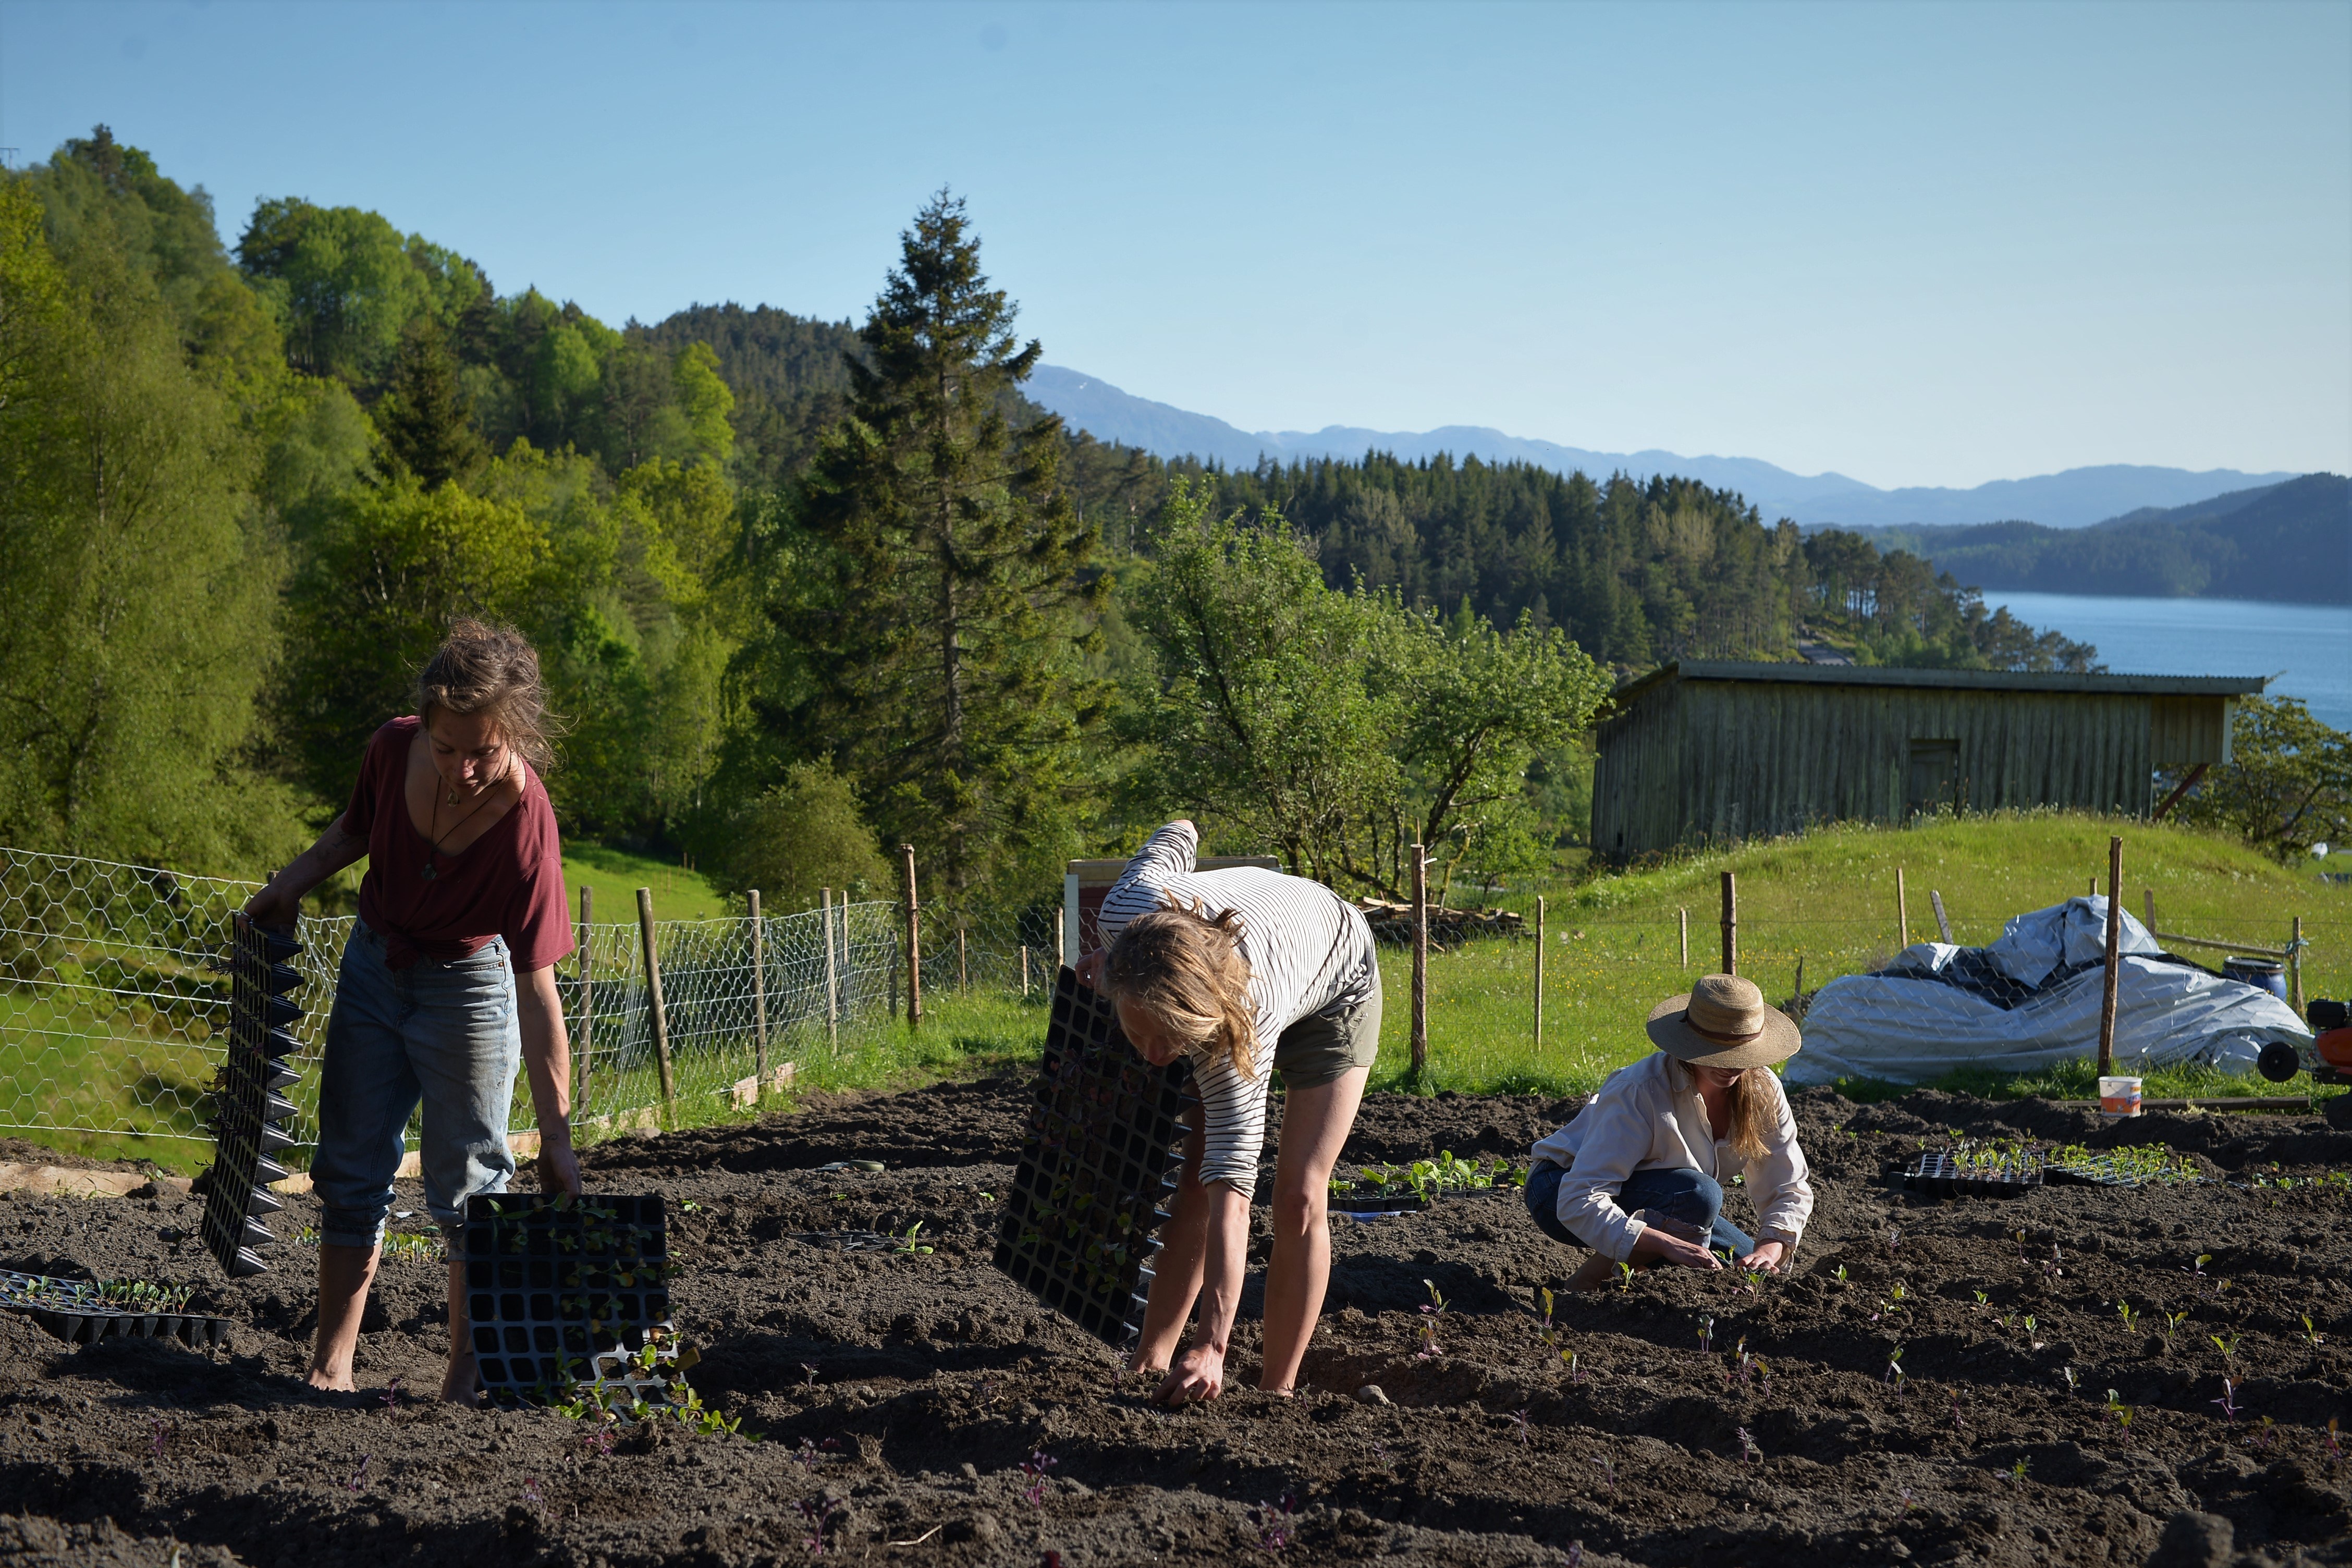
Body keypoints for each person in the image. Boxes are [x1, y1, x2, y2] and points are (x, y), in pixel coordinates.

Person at [243, 620, 581, 1401]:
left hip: (468, 989)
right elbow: (354, 831)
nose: (462, 769)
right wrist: (289, 883)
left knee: (468, 1187)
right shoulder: (392, 748)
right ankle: (330, 1365)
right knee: (351, 1169)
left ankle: (463, 1378)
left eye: (483, 753)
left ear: (515, 735)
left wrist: (557, 1138)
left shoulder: (528, 828)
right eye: (447, 747)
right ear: (424, 725)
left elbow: (537, 988)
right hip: (372, 968)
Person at [1077, 819, 1380, 1405]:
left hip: (1336, 974)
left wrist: (1215, 1342)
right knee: (1193, 1175)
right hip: (1244, 949)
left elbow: (1235, 1199)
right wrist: (1108, 957)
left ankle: (1275, 1392)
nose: (1160, 1056)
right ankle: (1150, 1360)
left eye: (1173, 1039)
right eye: (1145, 1034)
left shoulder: (1235, 1041)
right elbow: (1178, 831)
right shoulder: (1128, 908)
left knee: (1297, 1194)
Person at [1525, 973, 1812, 1291]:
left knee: (1747, 1270)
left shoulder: (1764, 1091)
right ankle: (1585, 1284)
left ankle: (1640, 1267)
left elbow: (1788, 1185)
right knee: (1699, 1195)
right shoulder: (1639, 1089)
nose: (1730, 1065)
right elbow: (1578, 1198)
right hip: (1559, 1188)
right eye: (1716, 1051)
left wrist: (1770, 1248)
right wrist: (1664, 1244)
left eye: (1740, 1054)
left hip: (1667, 1197)